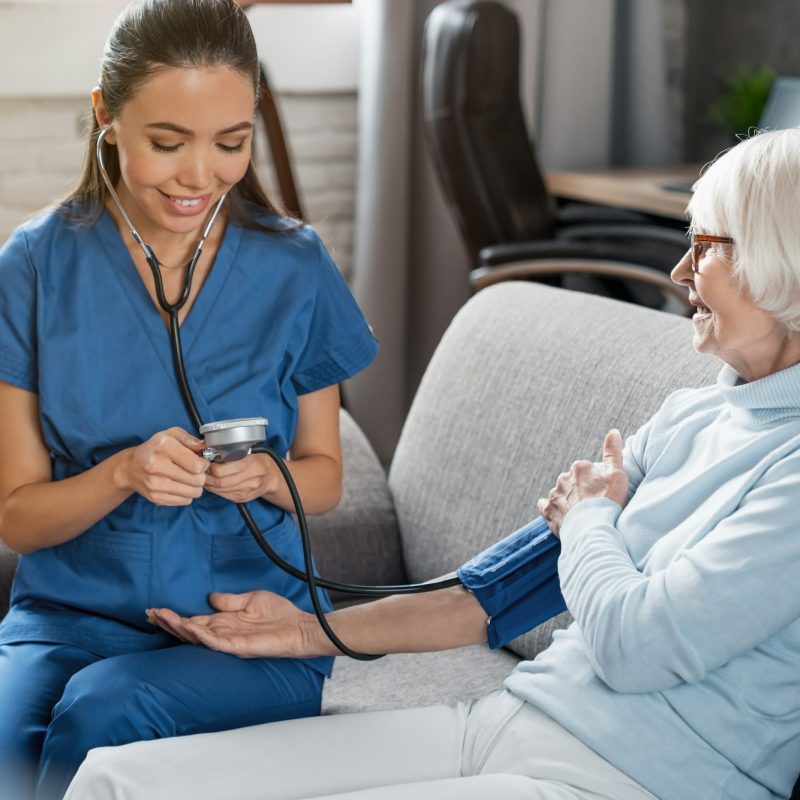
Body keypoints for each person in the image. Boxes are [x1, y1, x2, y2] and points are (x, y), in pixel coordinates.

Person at [65, 127, 800, 800]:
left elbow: (639, 645)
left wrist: (591, 521)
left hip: (629, 778)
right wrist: (303, 629)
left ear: (779, 261)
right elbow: (496, 593)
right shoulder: (695, 413)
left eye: (705, 246)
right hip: (507, 718)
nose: (679, 269)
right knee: (115, 781)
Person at [0, 1, 377, 798]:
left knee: (102, 714)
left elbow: (326, 475)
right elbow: (17, 515)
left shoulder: (296, 267)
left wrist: (270, 478)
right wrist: (122, 475)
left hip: (251, 627)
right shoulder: (33, 266)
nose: (200, 175)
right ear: (107, 118)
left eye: (230, 143)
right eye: (168, 143)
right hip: (68, 618)